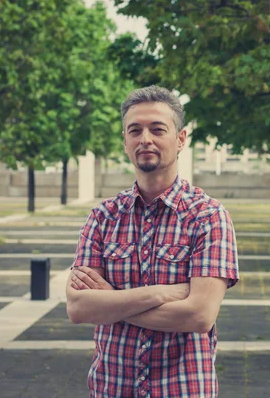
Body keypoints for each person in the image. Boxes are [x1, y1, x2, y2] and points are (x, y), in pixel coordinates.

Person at [66, 85, 239, 398]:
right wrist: (159, 294)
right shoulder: (103, 217)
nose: (145, 138)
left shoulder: (208, 216)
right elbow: (79, 308)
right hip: (111, 389)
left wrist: (111, 302)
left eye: (157, 129)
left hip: (183, 390)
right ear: (125, 141)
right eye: (135, 130)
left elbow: (199, 316)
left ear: (181, 138)